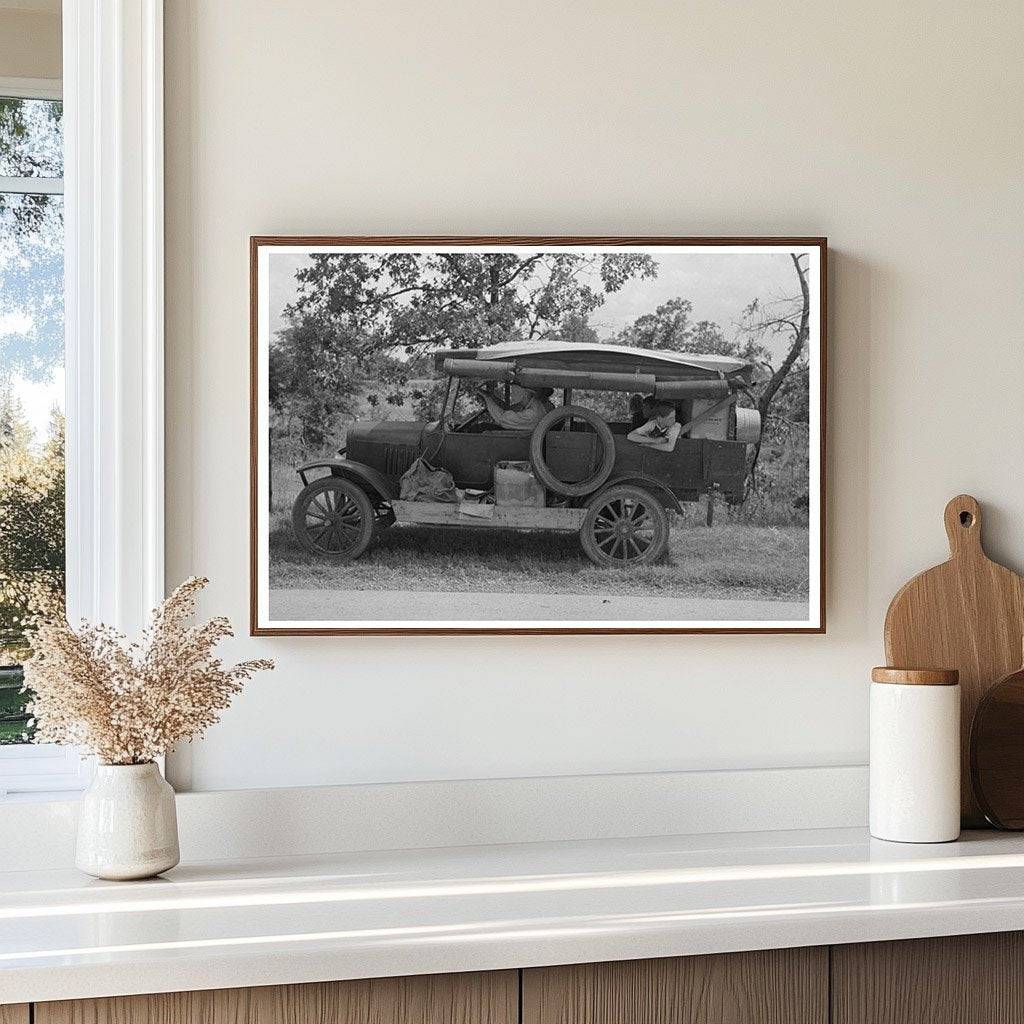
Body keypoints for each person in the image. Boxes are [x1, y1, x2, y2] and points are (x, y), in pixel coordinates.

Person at [477, 383, 554, 430]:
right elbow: (508, 408)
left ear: (529, 393)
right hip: (521, 431)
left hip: (519, 437)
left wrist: (488, 399)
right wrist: (492, 397)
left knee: (480, 428)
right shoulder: (538, 404)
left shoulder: (532, 413)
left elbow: (501, 418)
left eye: (523, 391)